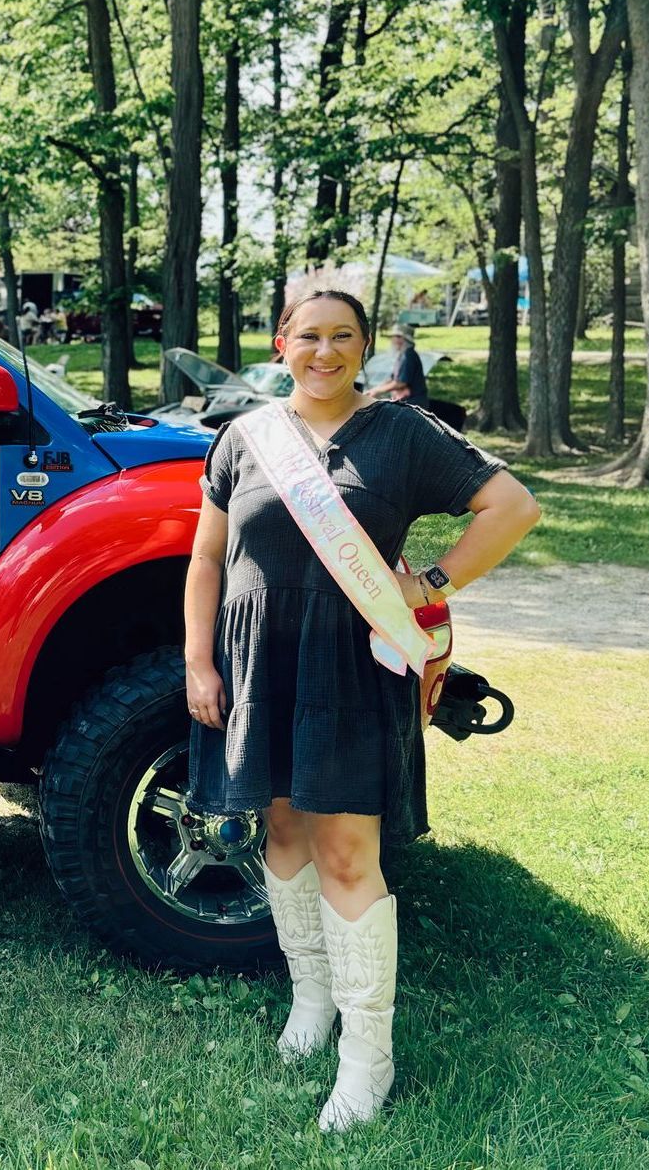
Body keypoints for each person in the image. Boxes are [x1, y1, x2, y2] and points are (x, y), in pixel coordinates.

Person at [183, 289, 539, 1134]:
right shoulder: (244, 437)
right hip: (260, 665)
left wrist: (433, 582)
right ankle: (312, 999)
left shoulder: (402, 433)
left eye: (344, 336)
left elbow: (514, 506)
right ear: (282, 343)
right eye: (309, 334)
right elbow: (206, 557)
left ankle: (367, 1053)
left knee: (347, 852)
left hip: (350, 667)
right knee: (281, 830)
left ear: (366, 348)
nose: (325, 351)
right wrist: (198, 660)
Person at [367, 322, 427, 405]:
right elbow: (393, 379)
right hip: (406, 401)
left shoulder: (408, 355)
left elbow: (401, 383)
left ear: (402, 339)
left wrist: (377, 391)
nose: (392, 339)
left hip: (414, 403)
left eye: (396, 336)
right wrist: (374, 389)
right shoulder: (402, 355)